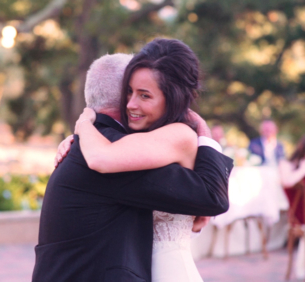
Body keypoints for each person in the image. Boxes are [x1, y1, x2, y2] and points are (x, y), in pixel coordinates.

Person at [33, 42, 233, 281]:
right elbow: (204, 209)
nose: (130, 104)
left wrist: (84, 125)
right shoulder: (108, 148)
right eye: (129, 92)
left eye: (144, 94)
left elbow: (211, 199)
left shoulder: (109, 146)